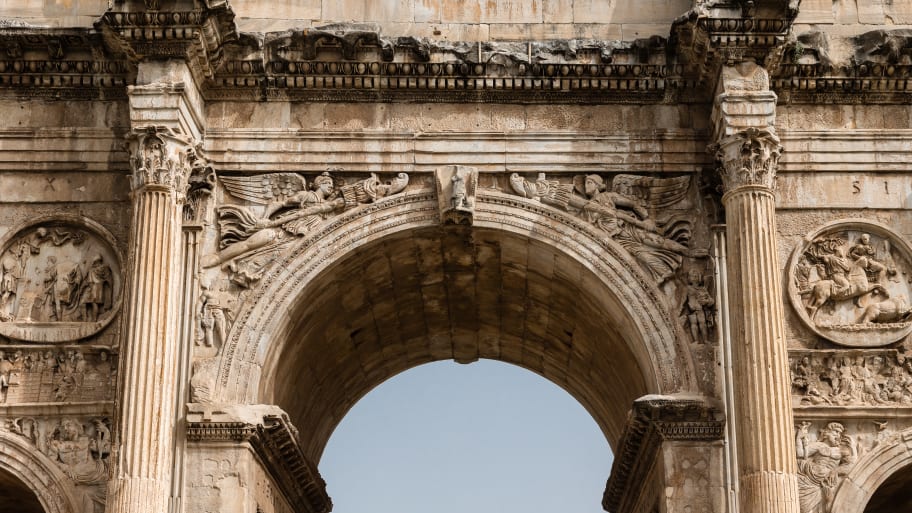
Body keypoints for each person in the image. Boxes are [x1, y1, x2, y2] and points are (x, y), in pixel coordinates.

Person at [796, 422, 855, 513]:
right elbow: (800, 454)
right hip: (810, 479)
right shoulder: (819, 445)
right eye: (835, 432)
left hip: (826, 483)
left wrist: (853, 448)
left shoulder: (840, 451)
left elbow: (851, 465)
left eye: (840, 433)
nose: (838, 435)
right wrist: (799, 437)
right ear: (827, 433)